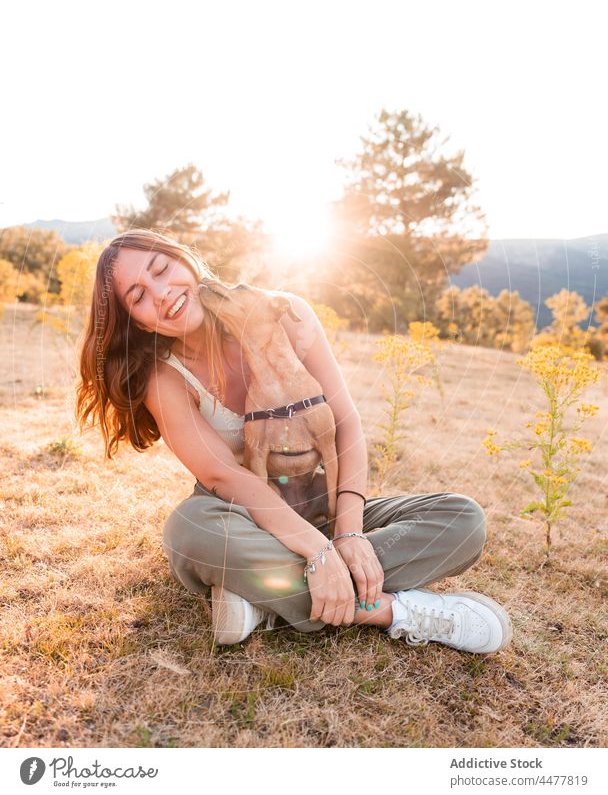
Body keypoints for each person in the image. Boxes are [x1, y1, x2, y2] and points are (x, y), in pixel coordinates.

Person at [76, 229, 512, 653]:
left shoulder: (283, 313)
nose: (161, 293)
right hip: (242, 515)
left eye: (161, 268)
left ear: (185, 259)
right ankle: (390, 610)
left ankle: (262, 601)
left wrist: (348, 534)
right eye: (137, 297)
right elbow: (222, 475)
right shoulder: (164, 376)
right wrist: (316, 551)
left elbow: (346, 424)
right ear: (134, 320)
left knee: (462, 519)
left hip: (321, 502)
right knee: (187, 530)